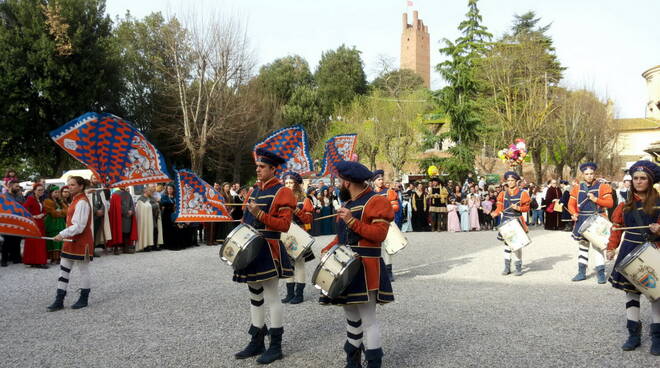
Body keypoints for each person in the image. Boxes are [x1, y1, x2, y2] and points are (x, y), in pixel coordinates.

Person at [319, 160, 394, 368]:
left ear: (347, 182)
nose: (339, 185)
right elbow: (343, 237)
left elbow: (379, 235)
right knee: (351, 316)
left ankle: (373, 364)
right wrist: (329, 248)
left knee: (368, 320)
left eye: (340, 181)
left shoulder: (376, 201)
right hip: (344, 266)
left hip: (367, 267)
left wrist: (352, 221)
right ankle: (352, 362)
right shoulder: (349, 205)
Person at [233, 148, 295, 365]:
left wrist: (260, 214)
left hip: (269, 248)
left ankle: (276, 346)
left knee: (272, 297)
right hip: (251, 249)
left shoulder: (283, 192)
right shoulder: (252, 191)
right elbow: (245, 220)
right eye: (257, 166)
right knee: (254, 295)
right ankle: (257, 340)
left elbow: (285, 225)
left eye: (262, 167)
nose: (257, 170)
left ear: (273, 169)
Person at [605, 160, 660, 355]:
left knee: (656, 294)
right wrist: (611, 247)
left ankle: (657, 337)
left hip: (653, 250)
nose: (638, 181)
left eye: (642, 178)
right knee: (631, 294)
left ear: (650, 180)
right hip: (629, 250)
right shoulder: (624, 206)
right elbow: (616, 229)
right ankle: (634, 335)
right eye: (635, 178)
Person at [47, 176, 95, 311]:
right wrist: (64, 235)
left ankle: (84, 298)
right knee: (63, 270)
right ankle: (59, 300)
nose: (69, 187)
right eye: (69, 184)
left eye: (73, 185)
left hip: (81, 241)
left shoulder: (82, 202)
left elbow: (79, 226)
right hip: (70, 241)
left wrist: (62, 234)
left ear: (81, 186)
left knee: (83, 271)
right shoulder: (75, 200)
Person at [568, 162, 613, 283]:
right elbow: (571, 204)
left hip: (596, 219)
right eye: (586, 174)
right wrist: (573, 213)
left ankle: (601, 273)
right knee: (583, 245)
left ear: (595, 174)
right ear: (582, 175)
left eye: (591, 173)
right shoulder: (577, 188)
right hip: (582, 219)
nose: (589, 176)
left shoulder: (603, 186)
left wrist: (596, 199)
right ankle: (581, 272)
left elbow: (610, 203)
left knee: (597, 246)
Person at [280, 172, 315, 305]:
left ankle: (299, 294)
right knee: (287, 264)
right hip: (285, 234)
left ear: (296, 184)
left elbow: (308, 219)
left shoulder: (304, 200)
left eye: (291, 182)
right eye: (286, 183)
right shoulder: (281, 198)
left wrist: (295, 209)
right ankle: (290, 293)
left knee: (299, 264)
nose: (288, 185)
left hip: (299, 234)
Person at [490, 171, 531, 276]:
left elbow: (527, 208)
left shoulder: (523, 193)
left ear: (517, 181)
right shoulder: (502, 194)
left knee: (517, 245)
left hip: (517, 220)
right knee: (507, 244)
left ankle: (518, 267)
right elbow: (499, 207)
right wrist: (495, 212)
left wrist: (518, 207)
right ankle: (507, 267)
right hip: (506, 221)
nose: (510, 182)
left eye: (512, 180)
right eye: (508, 180)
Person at [372, 170, 400, 282]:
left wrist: (383, 211)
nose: (381, 181)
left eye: (382, 179)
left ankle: (388, 271)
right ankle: (377, 271)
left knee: (388, 247)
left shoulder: (388, 192)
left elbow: (395, 207)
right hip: (374, 224)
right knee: (375, 247)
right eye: (379, 179)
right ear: (374, 181)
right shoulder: (369, 193)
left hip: (386, 223)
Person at [23, 183, 48, 268]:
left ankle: (37, 261)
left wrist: (42, 214)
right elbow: (24, 211)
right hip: (34, 224)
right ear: (34, 191)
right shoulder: (30, 199)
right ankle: (37, 261)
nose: (41, 191)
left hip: (40, 223)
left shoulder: (40, 200)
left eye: (42, 190)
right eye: (39, 190)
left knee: (39, 242)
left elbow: (44, 211)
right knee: (35, 242)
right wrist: (34, 216)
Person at [1, 180, 25, 266]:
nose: (18, 188)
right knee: (7, 241)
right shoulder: (4, 196)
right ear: (10, 186)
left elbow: (23, 206)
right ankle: (4, 260)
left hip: (18, 221)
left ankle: (16, 258)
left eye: (18, 186)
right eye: (16, 186)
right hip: (8, 221)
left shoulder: (19, 195)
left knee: (17, 240)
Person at [108, 187, 137, 254]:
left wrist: (131, 211)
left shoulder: (128, 194)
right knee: (117, 232)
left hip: (127, 217)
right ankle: (116, 248)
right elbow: (117, 207)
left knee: (126, 232)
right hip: (119, 217)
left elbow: (132, 204)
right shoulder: (115, 194)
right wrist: (126, 212)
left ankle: (126, 247)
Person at [87, 175, 111, 253]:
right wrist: (95, 211)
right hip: (91, 214)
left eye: (97, 178)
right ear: (91, 179)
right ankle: (90, 251)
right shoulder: (88, 189)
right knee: (90, 233)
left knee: (96, 232)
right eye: (94, 178)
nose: (96, 180)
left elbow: (104, 201)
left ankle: (93, 250)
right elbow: (88, 202)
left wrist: (102, 210)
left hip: (99, 214)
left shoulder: (100, 189)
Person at [135, 185, 163, 252]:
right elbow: (143, 209)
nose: (151, 192)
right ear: (145, 191)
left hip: (153, 217)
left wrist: (157, 205)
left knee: (155, 230)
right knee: (147, 230)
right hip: (145, 219)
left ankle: (154, 245)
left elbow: (155, 205)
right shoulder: (141, 199)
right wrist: (155, 205)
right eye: (150, 191)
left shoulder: (152, 198)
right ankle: (146, 246)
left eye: (151, 191)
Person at [44, 187, 67, 264]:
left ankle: (59, 257)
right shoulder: (47, 201)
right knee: (53, 238)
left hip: (60, 223)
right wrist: (61, 213)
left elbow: (67, 211)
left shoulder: (60, 201)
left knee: (60, 238)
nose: (57, 194)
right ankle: (53, 258)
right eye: (55, 192)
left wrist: (60, 212)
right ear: (51, 193)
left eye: (58, 192)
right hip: (52, 223)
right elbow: (53, 213)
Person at [160, 184, 179, 250]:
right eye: (168, 189)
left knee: (174, 229)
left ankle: (174, 244)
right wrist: (171, 204)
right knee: (167, 230)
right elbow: (163, 203)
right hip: (166, 215)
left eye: (171, 189)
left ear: (173, 189)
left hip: (173, 214)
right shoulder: (164, 196)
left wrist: (172, 205)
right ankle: (168, 245)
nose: (170, 190)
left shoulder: (175, 196)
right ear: (167, 189)